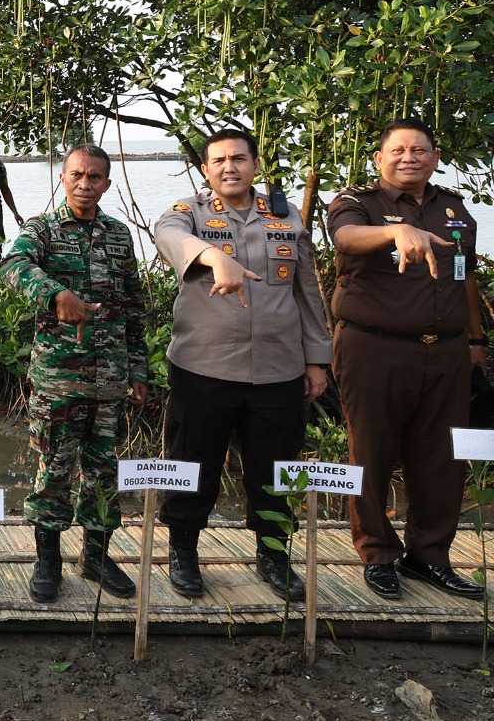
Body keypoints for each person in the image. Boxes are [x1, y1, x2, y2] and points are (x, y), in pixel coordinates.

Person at [154, 129, 331, 600]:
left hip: (280, 368)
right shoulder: (187, 213)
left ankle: (273, 553)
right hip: (203, 367)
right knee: (193, 463)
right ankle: (183, 551)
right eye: (219, 161)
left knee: (276, 467)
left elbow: (307, 293)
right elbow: (166, 235)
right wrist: (214, 256)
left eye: (238, 158)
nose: (229, 167)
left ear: (255, 164)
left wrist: (318, 360)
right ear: (206, 170)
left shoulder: (285, 216)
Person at [329, 117, 484, 600]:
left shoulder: (455, 209)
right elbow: (346, 239)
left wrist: (477, 344)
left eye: (419, 150)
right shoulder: (357, 203)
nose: (408, 157)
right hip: (374, 347)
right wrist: (396, 234)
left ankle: (429, 556)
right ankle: (377, 554)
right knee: (371, 452)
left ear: (435, 158)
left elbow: (466, 277)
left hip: (448, 352)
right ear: (379, 159)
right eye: (397, 150)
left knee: (443, 457)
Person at [2, 144, 148, 602]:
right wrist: (53, 293)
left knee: (104, 471)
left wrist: (139, 370)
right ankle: (47, 558)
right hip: (58, 378)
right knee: (55, 468)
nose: (85, 184)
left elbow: (135, 307)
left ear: (107, 183)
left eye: (95, 177)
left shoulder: (120, 235)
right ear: (62, 178)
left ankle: (96, 556)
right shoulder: (41, 229)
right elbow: (12, 266)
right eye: (77, 175)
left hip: (110, 377)